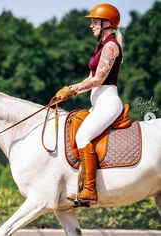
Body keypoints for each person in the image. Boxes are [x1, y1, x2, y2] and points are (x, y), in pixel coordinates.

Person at [55, 3, 124, 205]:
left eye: (95, 21)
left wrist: (72, 88)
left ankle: (89, 190)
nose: (91, 25)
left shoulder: (111, 46)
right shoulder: (100, 46)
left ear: (107, 23)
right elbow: (90, 76)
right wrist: (70, 92)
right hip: (98, 103)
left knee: (83, 135)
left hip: (109, 102)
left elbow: (98, 79)